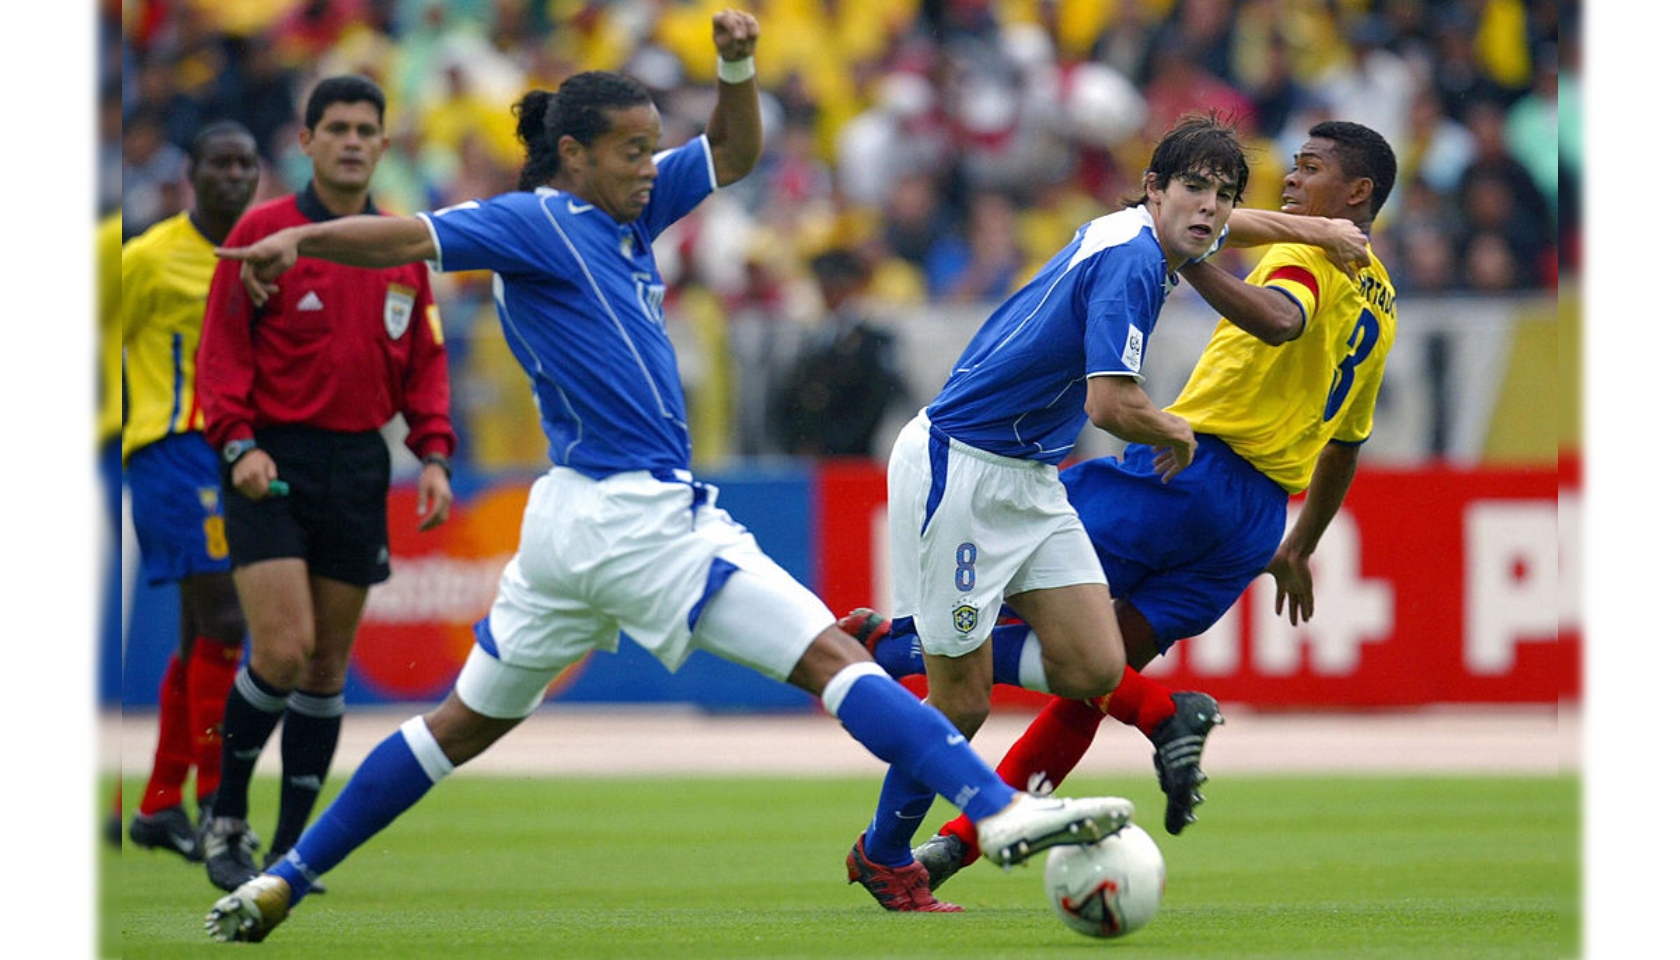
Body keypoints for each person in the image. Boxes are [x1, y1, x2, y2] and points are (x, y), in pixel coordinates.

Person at [202, 10, 1136, 943]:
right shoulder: (537, 221)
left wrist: (736, 65)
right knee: (830, 657)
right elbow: (407, 236)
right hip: (633, 512)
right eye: (633, 150)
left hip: (569, 523)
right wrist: (303, 242)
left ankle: (283, 878)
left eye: (653, 147)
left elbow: (732, 151)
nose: (652, 165)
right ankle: (998, 810)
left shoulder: (630, 211)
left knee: (460, 726)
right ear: (572, 153)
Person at [851, 120, 1399, 899]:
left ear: (1357, 193)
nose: (1289, 183)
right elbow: (1345, 442)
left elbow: (1271, 317)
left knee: (1083, 670)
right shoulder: (1381, 298)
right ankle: (946, 834)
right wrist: (1300, 543)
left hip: (1188, 473)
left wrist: (1224, 247)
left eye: (1308, 170)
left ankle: (899, 651)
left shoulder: (1297, 259)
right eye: (1201, 191)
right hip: (1251, 513)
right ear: (1157, 190)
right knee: (1063, 678)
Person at [194, 75, 458, 894]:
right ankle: (225, 817)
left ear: (384, 145)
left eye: (365, 129)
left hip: (358, 463)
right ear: (305, 142)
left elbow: (425, 361)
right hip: (271, 461)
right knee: (280, 649)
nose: (351, 140)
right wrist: (238, 443)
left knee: (325, 668)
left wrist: (436, 455)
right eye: (335, 127)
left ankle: (289, 852)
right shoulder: (265, 234)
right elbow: (221, 354)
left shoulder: (397, 246)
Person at [118, 122, 263, 862]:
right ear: (191, 172)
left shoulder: (264, 254)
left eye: (245, 164)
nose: (233, 176)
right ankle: (216, 806)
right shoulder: (143, 258)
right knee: (229, 621)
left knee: (199, 632)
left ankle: (154, 808)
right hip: (173, 449)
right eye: (220, 163)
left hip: (236, 451)